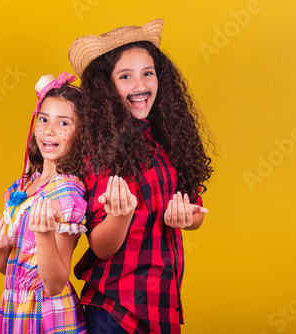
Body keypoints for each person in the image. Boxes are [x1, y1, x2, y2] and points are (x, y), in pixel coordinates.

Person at [68, 19, 214, 333]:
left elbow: (196, 211)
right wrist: (120, 216)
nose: (141, 85)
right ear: (106, 87)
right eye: (125, 76)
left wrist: (186, 218)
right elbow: (100, 248)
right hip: (113, 311)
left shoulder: (167, 143)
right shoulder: (98, 150)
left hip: (161, 306)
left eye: (148, 72)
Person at [0, 72, 88, 334]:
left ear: (82, 134)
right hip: (16, 306)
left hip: (48, 314)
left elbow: (54, 285)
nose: (49, 130)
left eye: (63, 123)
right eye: (44, 119)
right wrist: (1, 247)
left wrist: (44, 234)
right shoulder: (24, 186)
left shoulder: (66, 193)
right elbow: (11, 270)